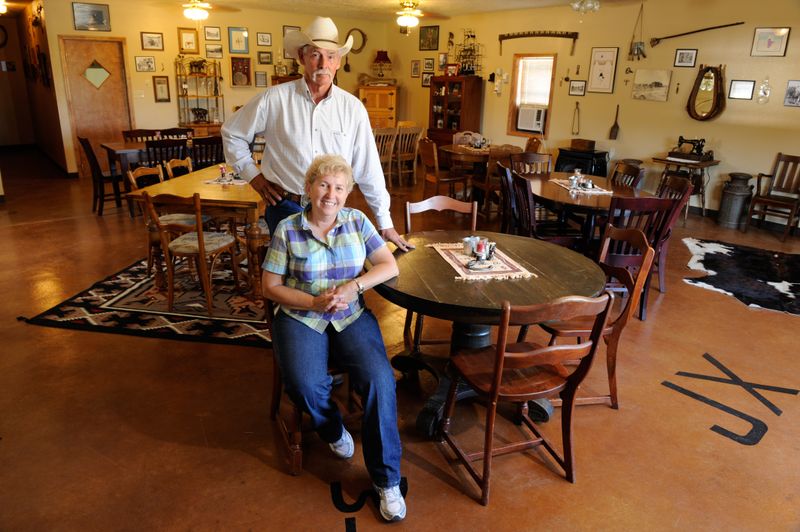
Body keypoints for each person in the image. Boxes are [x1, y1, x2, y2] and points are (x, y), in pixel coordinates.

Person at [262, 154, 406, 522]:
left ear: (347, 193)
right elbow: (270, 286)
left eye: (339, 188)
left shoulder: (357, 221)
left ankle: (387, 481)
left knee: (379, 380)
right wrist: (313, 301)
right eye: (324, 184)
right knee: (304, 384)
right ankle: (331, 428)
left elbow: (387, 264)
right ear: (309, 188)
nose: (331, 194)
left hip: (350, 314)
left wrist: (354, 286)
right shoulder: (287, 229)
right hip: (301, 314)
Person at [221, 16, 412, 252]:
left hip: (333, 209)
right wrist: (255, 178)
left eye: (330, 56)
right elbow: (232, 133)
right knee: (289, 272)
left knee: (332, 270)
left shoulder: (353, 108)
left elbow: (368, 168)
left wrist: (385, 222)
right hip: (285, 207)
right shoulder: (274, 99)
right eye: (315, 55)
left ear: (338, 62)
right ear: (302, 58)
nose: (323, 63)